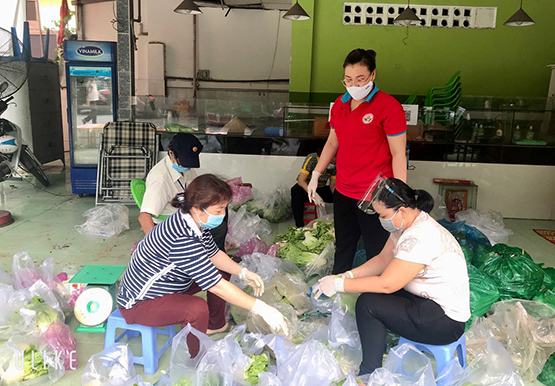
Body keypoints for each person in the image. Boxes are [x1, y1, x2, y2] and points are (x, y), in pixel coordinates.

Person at [314, 178, 470, 376]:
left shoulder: (420, 237)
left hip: (445, 322)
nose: (381, 220)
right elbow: (383, 259)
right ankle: (374, 359)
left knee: (368, 304)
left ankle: (368, 373)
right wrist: (348, 275)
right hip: (428, 303)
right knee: (371, 295)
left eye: (383, 215)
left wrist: (340, 284)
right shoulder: (405, 224)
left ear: (401, 210)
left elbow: (387, 284)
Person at [117, 174, 289, 353]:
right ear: (198, 209)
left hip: (169, 284)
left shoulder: (195, 221)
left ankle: (216, 324)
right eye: (218, 211)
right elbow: (217, 287)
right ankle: (196, 356)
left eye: (224, 209)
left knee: (221, 270)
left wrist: (242, 272)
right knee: (197, 309)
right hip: (140, 303)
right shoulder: (182, 238)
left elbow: (214, 254)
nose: (222, 216)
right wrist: (261, 307)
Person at [307, 48, 407, 274]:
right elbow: (333, 143)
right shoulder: (340, 104)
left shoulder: (388, 106)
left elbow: (399, 153)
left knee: (377, 250)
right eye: (348, 80)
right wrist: (315, 174)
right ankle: (337, 292)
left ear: (373, 75)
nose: (354, 85)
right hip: (343, 191)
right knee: (344, 246)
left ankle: (376, 301)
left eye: (360, 79)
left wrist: (400, 195)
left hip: (375, 196)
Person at [138, 133, 228, 252]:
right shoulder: (160, 180)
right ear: (171, 153)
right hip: (170, 223)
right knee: (218, 227)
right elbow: (144, 217)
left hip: (186, 212)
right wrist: (156, 246)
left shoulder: (185, 168)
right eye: (184, 162)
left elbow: (195, 190)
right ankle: (211, 257)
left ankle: (214, 254)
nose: (187, 166)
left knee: (220, 208)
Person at [290, 152, 335, 227]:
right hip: (306, 187)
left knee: (340, 196)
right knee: (295, 191)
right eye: (333, 158)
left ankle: (337, 223)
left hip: (321, 187)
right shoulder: (312, 158)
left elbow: (333, 185)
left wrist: (335, 193)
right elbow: (301, 180)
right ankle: (299, 225)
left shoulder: (334, 165)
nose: (334, 160)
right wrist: (314, 194)